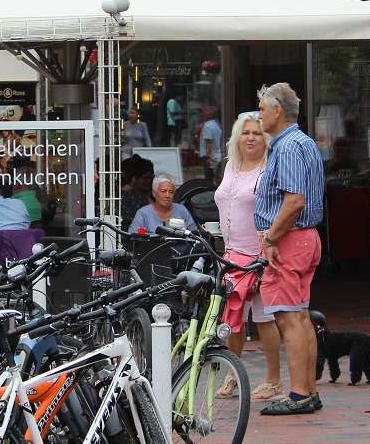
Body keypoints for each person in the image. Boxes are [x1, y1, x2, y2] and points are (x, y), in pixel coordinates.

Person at [253, 83, 325, 416]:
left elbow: (294, 200)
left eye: (262, 108)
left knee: (288, 319)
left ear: (277, 110)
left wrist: (270, 238)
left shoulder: (287, 146)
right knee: (300, 316)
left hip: (288, 241)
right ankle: (308, 390)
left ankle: (299, 394)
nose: (259, 115)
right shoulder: (303, 141)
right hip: (303, 238)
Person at [214, 111, 283, 401]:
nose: (251, 138)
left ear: (265, 138)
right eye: (246, 132)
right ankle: (233, 374)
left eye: (257, 133)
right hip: (232, 254)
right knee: (233, 317)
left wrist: (268, 247)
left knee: (264, 318)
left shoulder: (268, 168)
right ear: (236, 137)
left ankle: (273, 380)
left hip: (260, 253)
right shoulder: (231, 166)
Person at [128, 174, 197, 234]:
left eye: (171, 192)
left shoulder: (182, 210)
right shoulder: (143, 213)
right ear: (154, 193)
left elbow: (194, 235)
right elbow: (132, 238)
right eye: (163, 191)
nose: (167, 195)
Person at [120, 155, 154, 227]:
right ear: (134, 179)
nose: (149, 181)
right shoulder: (128, 199)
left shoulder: (157, 196)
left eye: (151, 177)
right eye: (145, 178)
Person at [198, 106, 222, 182]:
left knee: (209, 179)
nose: (202, 114)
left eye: (204, 112)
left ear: (209, 114)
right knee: (215, 178)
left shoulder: (207, 126)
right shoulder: (217, 124)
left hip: (209, 157)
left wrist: (209, 157)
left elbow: (209, 142)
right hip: (217, 155)